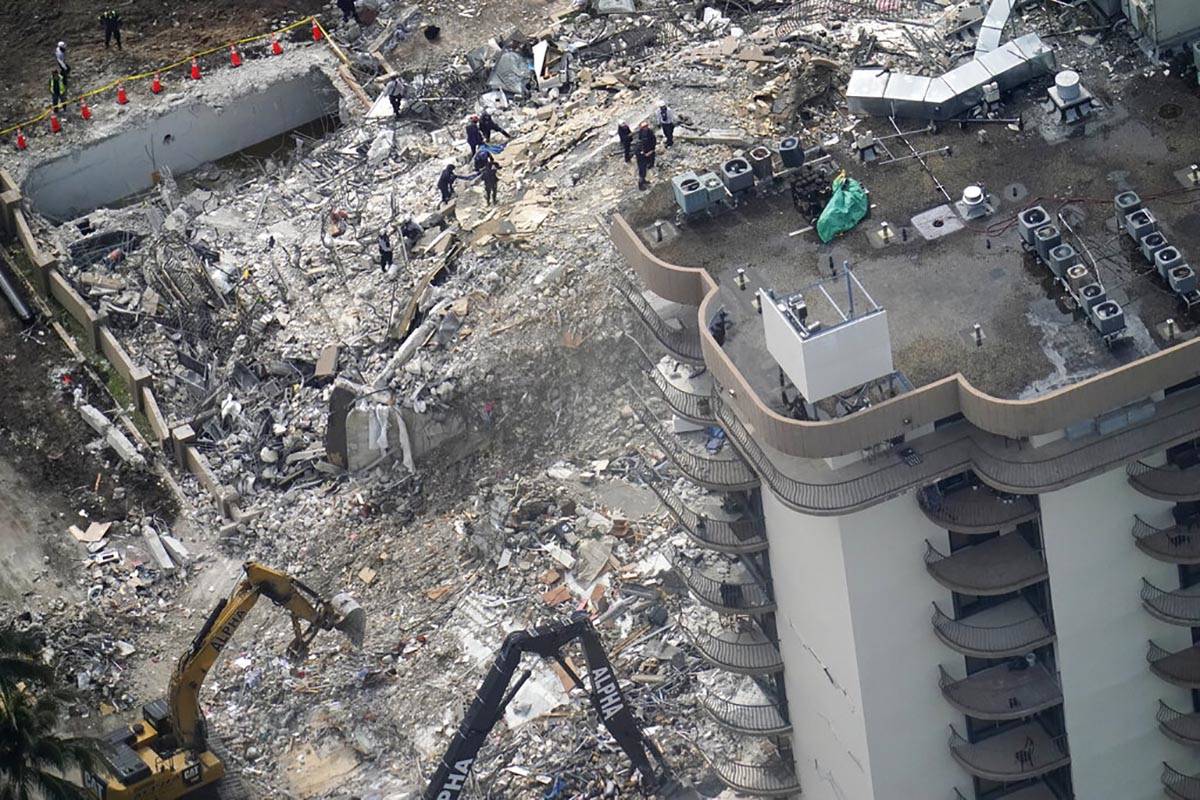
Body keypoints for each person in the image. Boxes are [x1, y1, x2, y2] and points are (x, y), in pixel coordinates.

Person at [635, 121, 656, 190]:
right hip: (641, 162)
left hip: (643, 161)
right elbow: (642, 155)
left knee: (644, 173)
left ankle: (644, 181)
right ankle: (641, 185)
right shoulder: (639, 149)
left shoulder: (640, 147)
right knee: (642, 173)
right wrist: (646, 154)